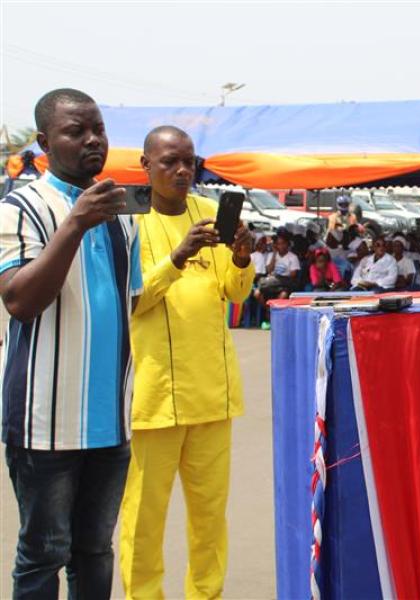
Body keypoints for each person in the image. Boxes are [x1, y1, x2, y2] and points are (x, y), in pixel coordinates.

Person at [0, 89, 142, 598]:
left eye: (98, 130)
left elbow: (130, 307)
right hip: (46, 422)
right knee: (44, 553)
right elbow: (20, 300)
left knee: (95, 550)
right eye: (75, 131)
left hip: (110, 420)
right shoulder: (23, 206)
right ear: (44, 142)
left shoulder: (124, 212)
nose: (92, 141)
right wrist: (76, 224)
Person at [119, 126, 255, 599]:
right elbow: (132, 301)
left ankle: (206, 594)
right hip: (156, 397)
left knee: (210, 517)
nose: (181, 171)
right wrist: (178, 257)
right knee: (144, 517)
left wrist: (241, 259)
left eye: (189, 163)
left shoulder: (210, 213)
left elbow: (235, 294)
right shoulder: (129, 221)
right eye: (169, 162)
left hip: (213, 394)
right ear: (145, 166)